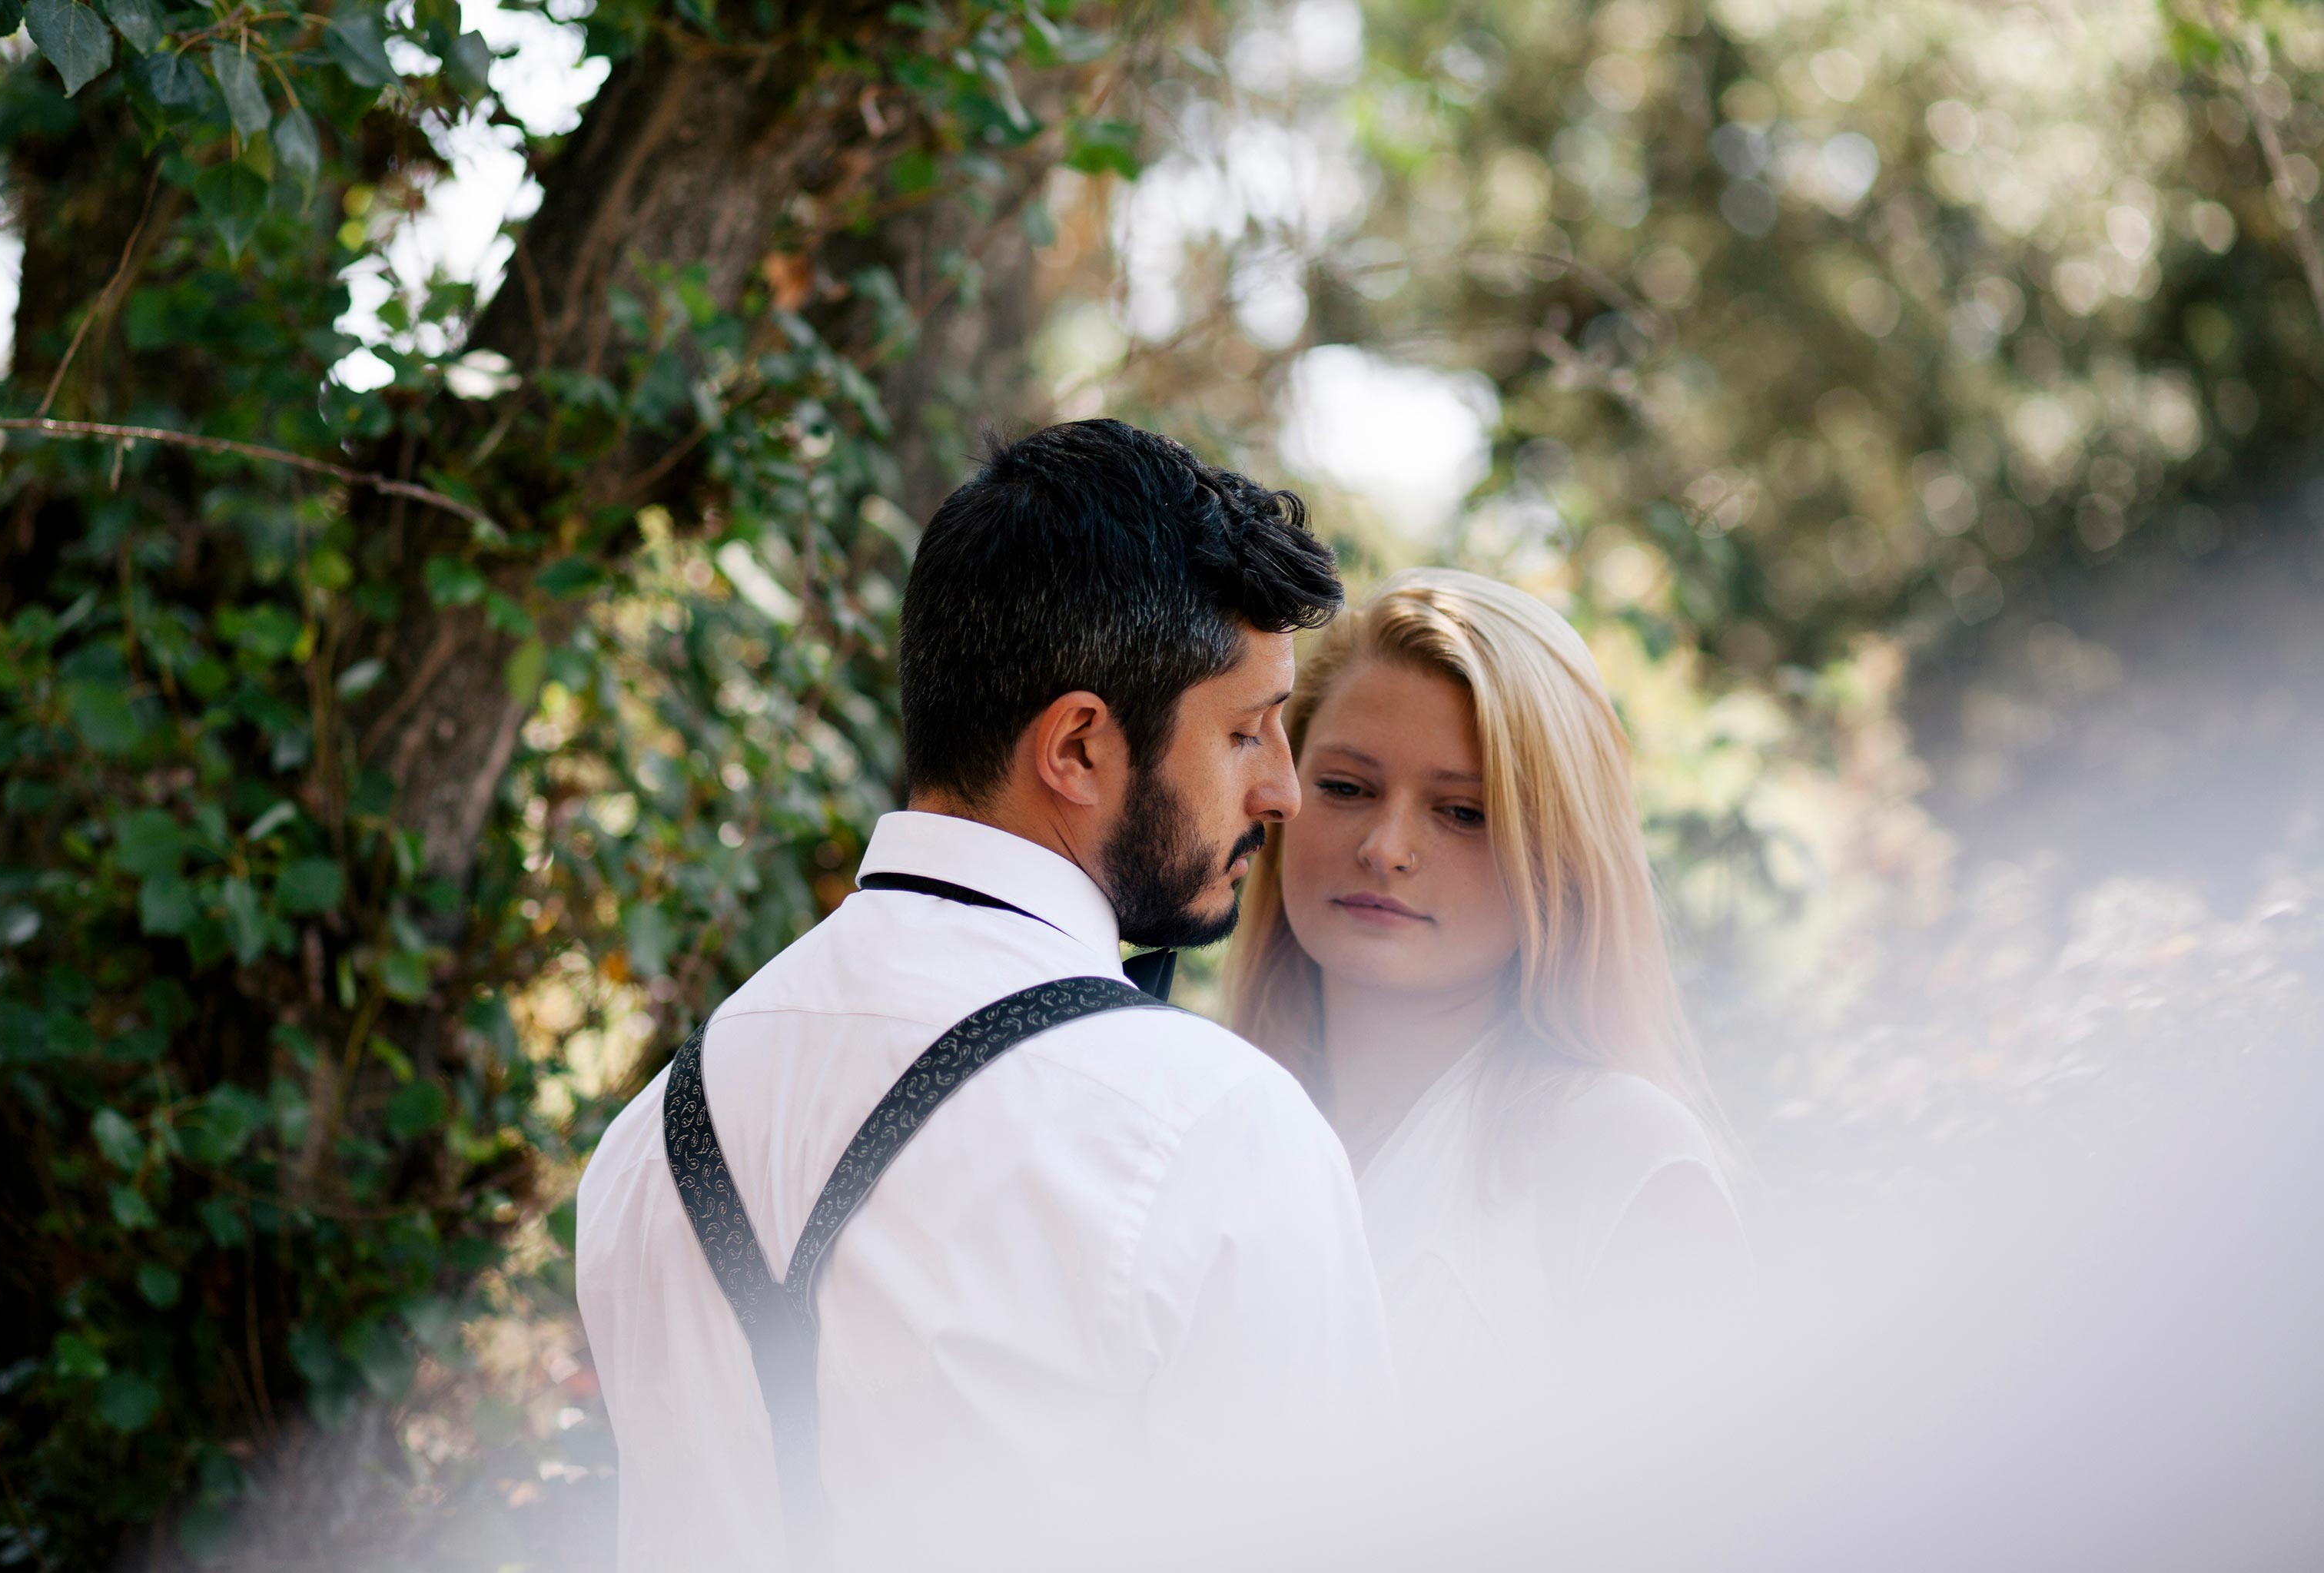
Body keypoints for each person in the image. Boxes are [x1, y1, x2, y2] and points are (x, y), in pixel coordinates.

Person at [575, 420, 1393, 1571]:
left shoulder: (647, 1135)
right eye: (1246, 732)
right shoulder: (1212, 1129)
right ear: (1077, 747)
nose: (1284, 791)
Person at [1223, 567, 1748, 1411]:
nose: (1386, 848)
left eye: (1463, 811)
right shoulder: (1210, 1125)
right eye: (1347, 788)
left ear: (1561, 858)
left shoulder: (1621, 1154)